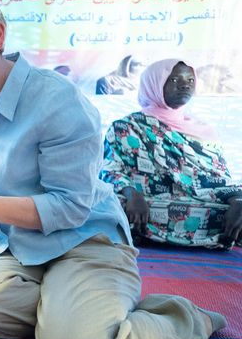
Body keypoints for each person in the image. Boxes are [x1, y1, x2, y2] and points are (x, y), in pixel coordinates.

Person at [0, 0, 226, 339]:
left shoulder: (56, 99)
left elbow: (69, 208)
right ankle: (73, 309)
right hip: (21, 252)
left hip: (83, 240)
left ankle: (184, 320)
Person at [101, 59, 242, 248]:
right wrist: (132, 194)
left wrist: (237, 199)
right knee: (112, 205)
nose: (185, 85)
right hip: (145, 202)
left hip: (200, 201)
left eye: (190, 80)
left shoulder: (203, 131)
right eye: (174, 80)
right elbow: (109, 170)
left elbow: (219, 178)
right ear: (154, 84)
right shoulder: (126, 127)